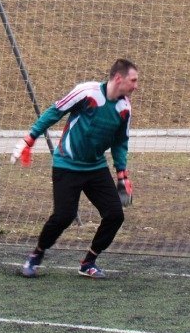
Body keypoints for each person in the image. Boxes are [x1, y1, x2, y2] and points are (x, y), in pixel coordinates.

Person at [11, 59, 139, 278]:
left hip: (95, 167)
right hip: (67, 164)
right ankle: (36, 255)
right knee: (64, 216)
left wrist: (122, 174)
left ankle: (88, 262)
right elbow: (55, 111)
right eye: (133, 80)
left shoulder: (124, 108)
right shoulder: (87, 92)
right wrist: (29, 138)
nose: (136, 86)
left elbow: (120, 143)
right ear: (119, 78)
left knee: (115, 215)